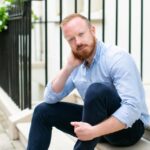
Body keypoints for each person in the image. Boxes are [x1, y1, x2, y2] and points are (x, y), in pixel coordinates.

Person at [27, 13, 149, 150]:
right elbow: (49, 98)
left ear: (93, 30)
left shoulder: (116, 58)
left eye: (81, 34)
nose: (77, 42)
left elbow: (132, 108)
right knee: (42, 111)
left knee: (96, 90)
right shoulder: (77, 63)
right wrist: (68, 68)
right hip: (96, 125)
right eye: (71, 39)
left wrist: (93, 131)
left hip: (128, 129)